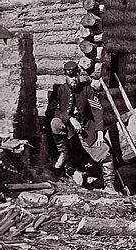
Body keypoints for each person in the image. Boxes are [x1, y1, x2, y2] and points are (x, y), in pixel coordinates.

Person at [45, 61, 115, 193]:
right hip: (68, 130)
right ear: (65, 76)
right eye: (71, 77)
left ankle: (109, 185)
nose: (74, 80)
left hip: (86, 131)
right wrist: (69, 119)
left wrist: (99, 131)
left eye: (76, 76)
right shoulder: (59, 90)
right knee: (55, 122)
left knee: (105, 153)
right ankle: (63, 154)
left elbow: (97, 110)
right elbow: (51, 111)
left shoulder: (87, 89)